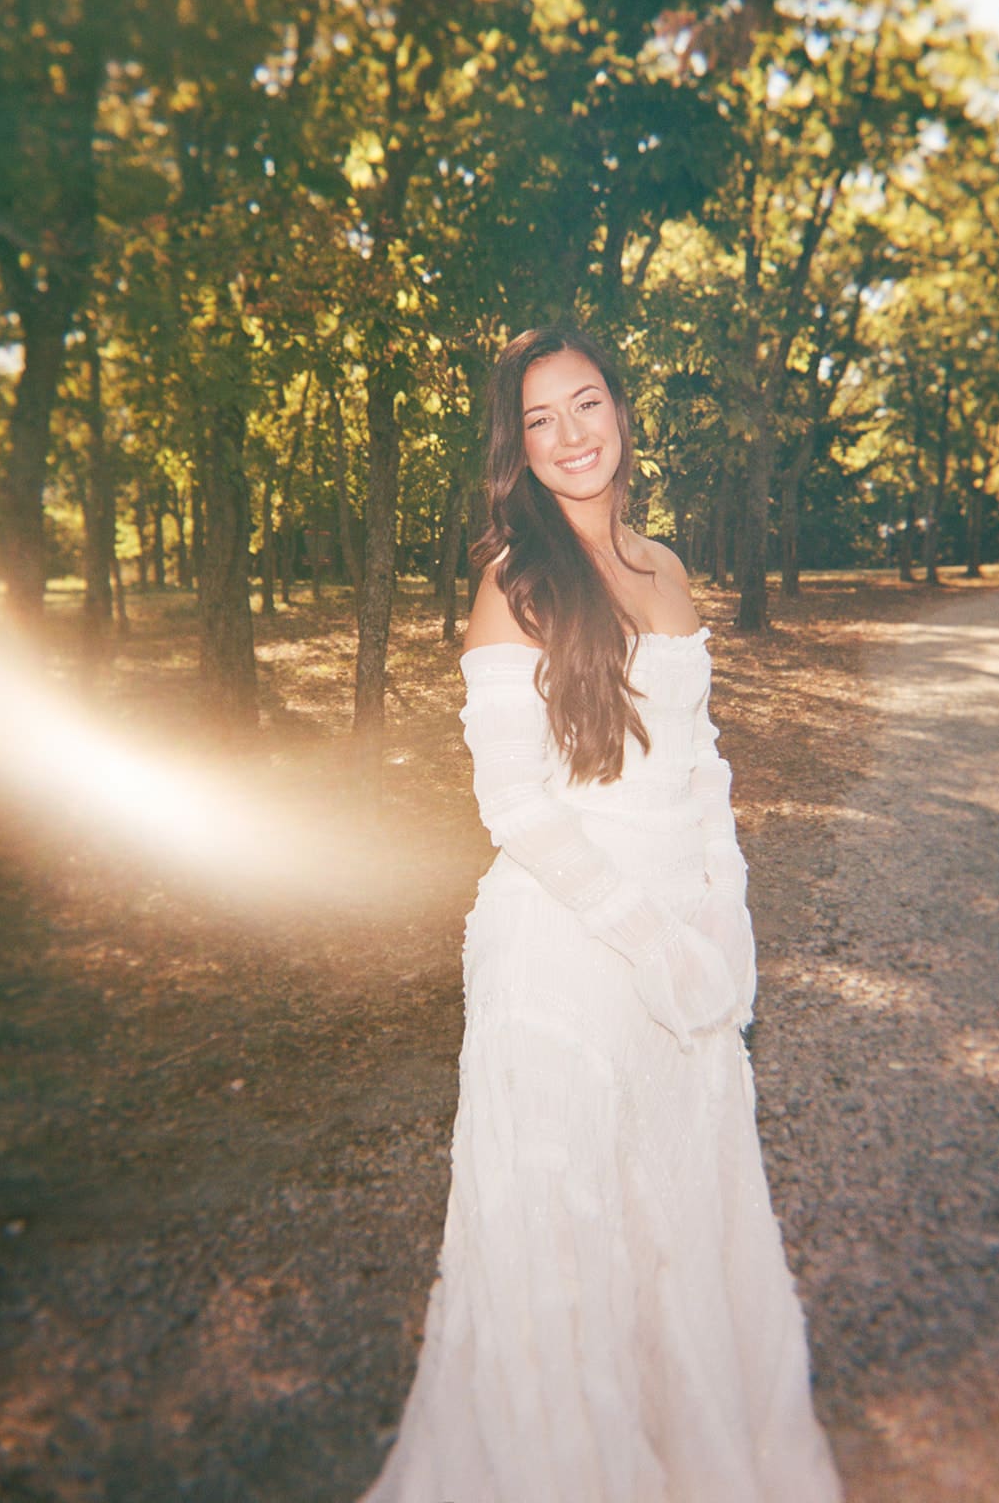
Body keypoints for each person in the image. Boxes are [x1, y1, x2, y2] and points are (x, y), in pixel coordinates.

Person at [358, 325, 842, 1502]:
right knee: (575, 1251)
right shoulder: (515, 582)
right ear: (514, 450)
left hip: (685, 945)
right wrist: (649, 943)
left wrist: (723, 928)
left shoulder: (666, 563)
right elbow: (516, 806)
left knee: (681, 1225)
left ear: (623, 413)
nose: (571, 435)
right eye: (540, 419)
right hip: (569, 956)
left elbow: (699, 757)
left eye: (587, 404)